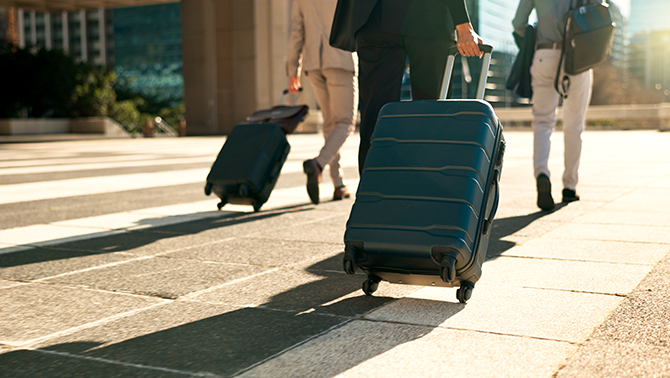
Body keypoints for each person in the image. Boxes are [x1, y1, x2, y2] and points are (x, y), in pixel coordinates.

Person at [342, 0, 483, 173]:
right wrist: (463, 26)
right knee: (432, 117)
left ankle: (374, 192)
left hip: (376, 18)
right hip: (429, 18)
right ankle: (428, 189)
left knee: (376, 117)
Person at [513, 0, 593, 211]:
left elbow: (518, 23)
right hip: (579, 56)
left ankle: (542, 174)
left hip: (544, 54)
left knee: (542, 122)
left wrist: (535, 36)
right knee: (574, 125)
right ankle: (569, 186)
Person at [287, 0, 358, 205]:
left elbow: (296, 32)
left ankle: (338, 184)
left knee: (330, 124)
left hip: (314, 64)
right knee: (344, 124)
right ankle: (318, 164)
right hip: (340, 60)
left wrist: (293, 70)